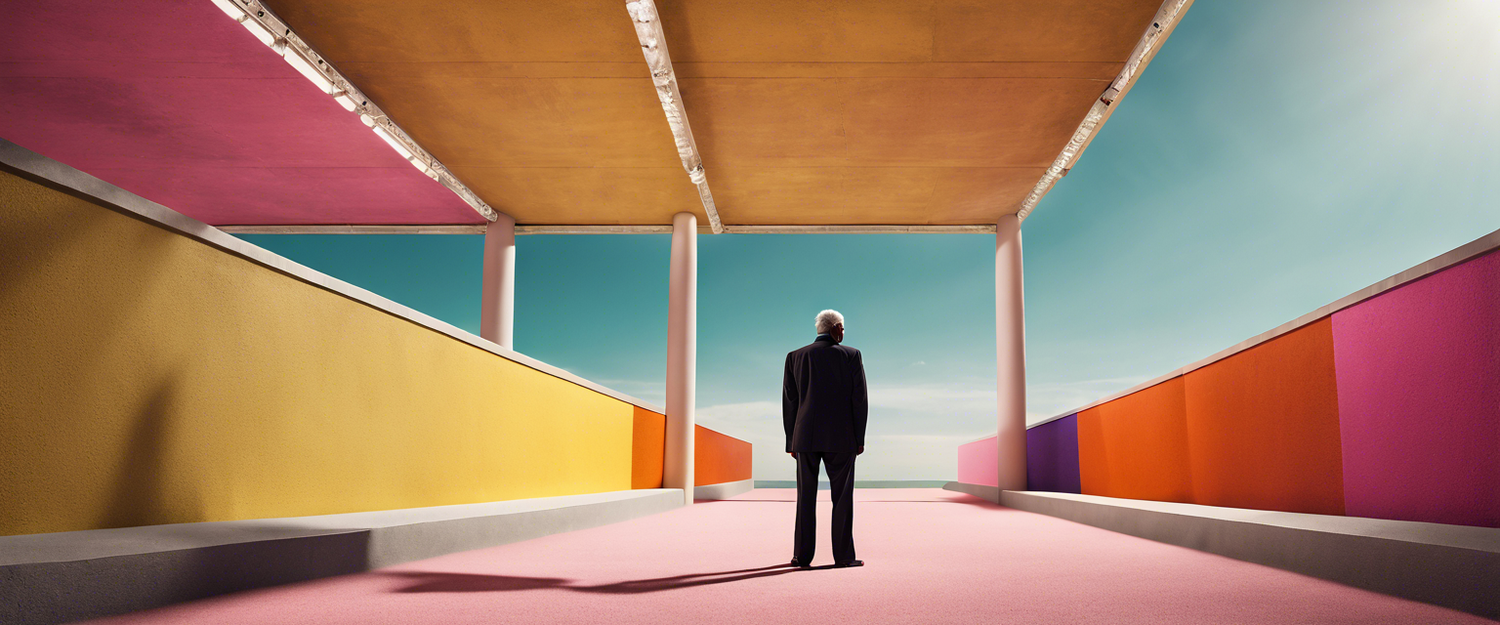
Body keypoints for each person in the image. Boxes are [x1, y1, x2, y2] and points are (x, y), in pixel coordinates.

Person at [782, 309, 868, 569]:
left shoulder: (795, 357)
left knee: (805, 498)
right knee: (842, 498)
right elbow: (859, 400)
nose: (843, 332)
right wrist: (859, 438)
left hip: (804, 437)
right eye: (842, 328)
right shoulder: (851, 355)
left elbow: (790, 402)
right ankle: (843, 557)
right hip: (842, 438)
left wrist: (791, 441)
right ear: (835, 328)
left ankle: (802, 556)